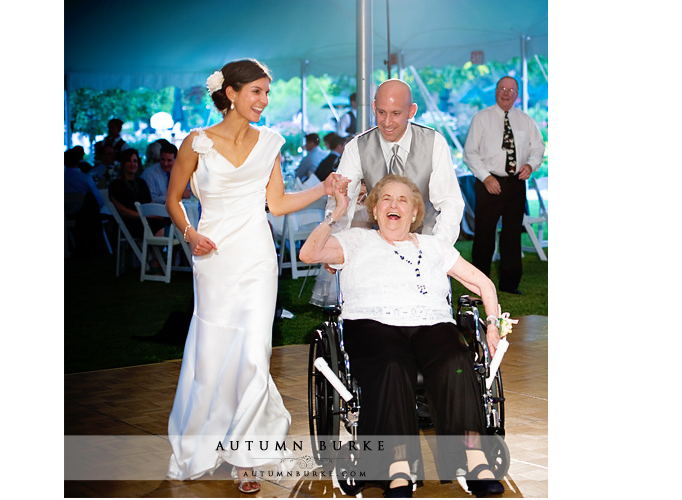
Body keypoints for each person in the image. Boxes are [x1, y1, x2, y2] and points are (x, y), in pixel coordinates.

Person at [164, 58, 348, 493]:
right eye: (256, 92)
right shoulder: (196, 143)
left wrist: (323, 189)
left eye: (267, 93)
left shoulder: (271, 142)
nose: (264, 101)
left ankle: (245, 457)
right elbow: (174, 200)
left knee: (253, 352)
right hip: (214, 260)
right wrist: (191, 234)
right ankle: (204, 441)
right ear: (231, 93)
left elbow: (278, 204)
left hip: (257, 257)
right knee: (212, 352)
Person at [300, 175, 506, 498]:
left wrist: (491, 324)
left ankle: (474, 457)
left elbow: (484, 285)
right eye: (385, 199)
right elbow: (308, 254)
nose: (393, 205)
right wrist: (336, 212)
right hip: (371, 324)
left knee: (456, 358)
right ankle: (398, 469)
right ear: (375, 209)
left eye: (402, 200)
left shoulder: (435, 246)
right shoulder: (356, 241)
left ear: (413, 214)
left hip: (431, 323)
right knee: (393, 364)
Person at [330, 79, 464, 246]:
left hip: (427, 241)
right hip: (378, 245)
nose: (387, 122)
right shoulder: (356, 147)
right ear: (373, 108)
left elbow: (449, 202)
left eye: (396, 113)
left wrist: (439, 246)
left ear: (411, 111)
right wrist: (335, 243)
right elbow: (341, 199)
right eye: (381, 112)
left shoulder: (434, 143)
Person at [462, 76, 545, 295]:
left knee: (512, 236)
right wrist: (486, 177)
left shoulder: (525, 120)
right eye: (502, 88)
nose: (506, 92)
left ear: (517, 95)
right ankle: (480, 284)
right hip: (488, 182)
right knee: (484, 236)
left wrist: (530, 164)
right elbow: (469, 152)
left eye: (511, 89)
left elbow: (538, 147)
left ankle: (510, 284)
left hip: (516, 183)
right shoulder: (481, 118)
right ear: (496, 91)